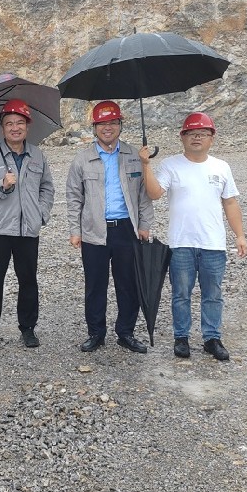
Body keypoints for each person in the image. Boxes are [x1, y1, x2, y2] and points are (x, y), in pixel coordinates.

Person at [140, 112, 247, 362]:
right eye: (191, 133)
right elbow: (154, 193)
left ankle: (212, 338)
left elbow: (230, 203)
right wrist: (146, 165)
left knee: (213, 294)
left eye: (203, 133)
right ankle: (181, 337)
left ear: (212, 138)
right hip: (181, 243)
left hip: (213, 244)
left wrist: (240, 235)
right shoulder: (170, 165)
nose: (197, 137)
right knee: (181, 294)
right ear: (182, 137)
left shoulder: (221, 167)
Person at [66, 100, 153, 354]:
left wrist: (145, 224)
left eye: (113, 122)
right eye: (102, 123)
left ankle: (126, 332)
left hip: (127, 229)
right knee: (95, 285)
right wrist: (75, 230)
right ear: (94, 127)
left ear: (120, 125)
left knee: (129, 284)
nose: (108, 127)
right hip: (94, 230)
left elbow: (144, 195)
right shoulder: (82, 159)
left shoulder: (134, 156)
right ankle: (96, 333)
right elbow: (74, 197)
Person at [0, 99, 55, 349]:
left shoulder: (37, 155)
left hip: (28, 229)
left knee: (28, 279)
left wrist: (41, 214)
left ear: (27, 126)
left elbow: (47, 187)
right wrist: (1, 185)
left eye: (20, 123)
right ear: (2, 127)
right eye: (9, 123)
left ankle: (28, 328)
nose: (15, 128)